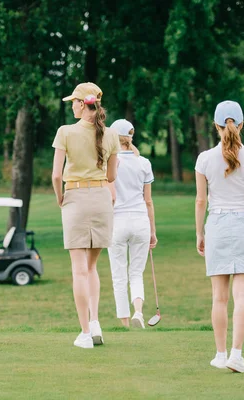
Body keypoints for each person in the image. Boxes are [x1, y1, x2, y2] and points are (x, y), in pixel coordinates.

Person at [195, 100, 244, 373]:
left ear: (216, 126)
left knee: (219, 298)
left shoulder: (204, 158)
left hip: (216, 225)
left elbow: (200, 201)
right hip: (243, 226)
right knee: (242, 297)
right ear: (241, 124)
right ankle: (236, 356)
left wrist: (199, 233)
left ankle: (220, 355)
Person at [52, 82, 120, 349]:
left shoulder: (65, 132)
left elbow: (57, 175)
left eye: (73, 102)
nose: (71, 106)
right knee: (91, 268)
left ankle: (84, 333)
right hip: (102, 198)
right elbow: (112, 175)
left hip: (76, 198)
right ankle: (94, 322)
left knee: (79, 270)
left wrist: (60, 198)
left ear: (82, 104)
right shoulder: (111, 133)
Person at [106, 119, 157, 329]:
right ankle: (138, 312)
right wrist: (153, 231)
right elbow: (148, 201)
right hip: (140, 222)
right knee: (136, 273)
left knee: (119, 275)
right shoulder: (143, 163)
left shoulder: (110, 162)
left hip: (117, 222)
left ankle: (125, 323)